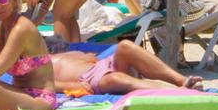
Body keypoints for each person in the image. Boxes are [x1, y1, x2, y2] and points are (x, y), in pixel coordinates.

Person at [51, 39, 202, 93]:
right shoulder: (31, 63)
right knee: (114, 79)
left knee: (125, 46)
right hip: (87, 78)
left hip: (102, 64)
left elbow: (93, 58)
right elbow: (37, 84)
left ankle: (182, 80)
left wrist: (58, 44)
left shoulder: (58, 52)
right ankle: (178, 91)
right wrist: (72, 85)